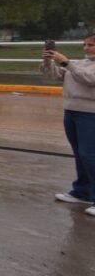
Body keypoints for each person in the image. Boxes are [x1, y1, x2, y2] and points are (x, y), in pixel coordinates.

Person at [43, 33, 95, 216]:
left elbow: (89, 79)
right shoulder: (80, 63)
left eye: (91, 45)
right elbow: (55, 75)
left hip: (91, 115)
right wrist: (49, 61)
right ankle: (82, 192)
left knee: (90, 155)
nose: (87, 48)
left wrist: (66, 62)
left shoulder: (77, 65)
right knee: (80, 155)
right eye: (85, 44)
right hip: (72, 111)